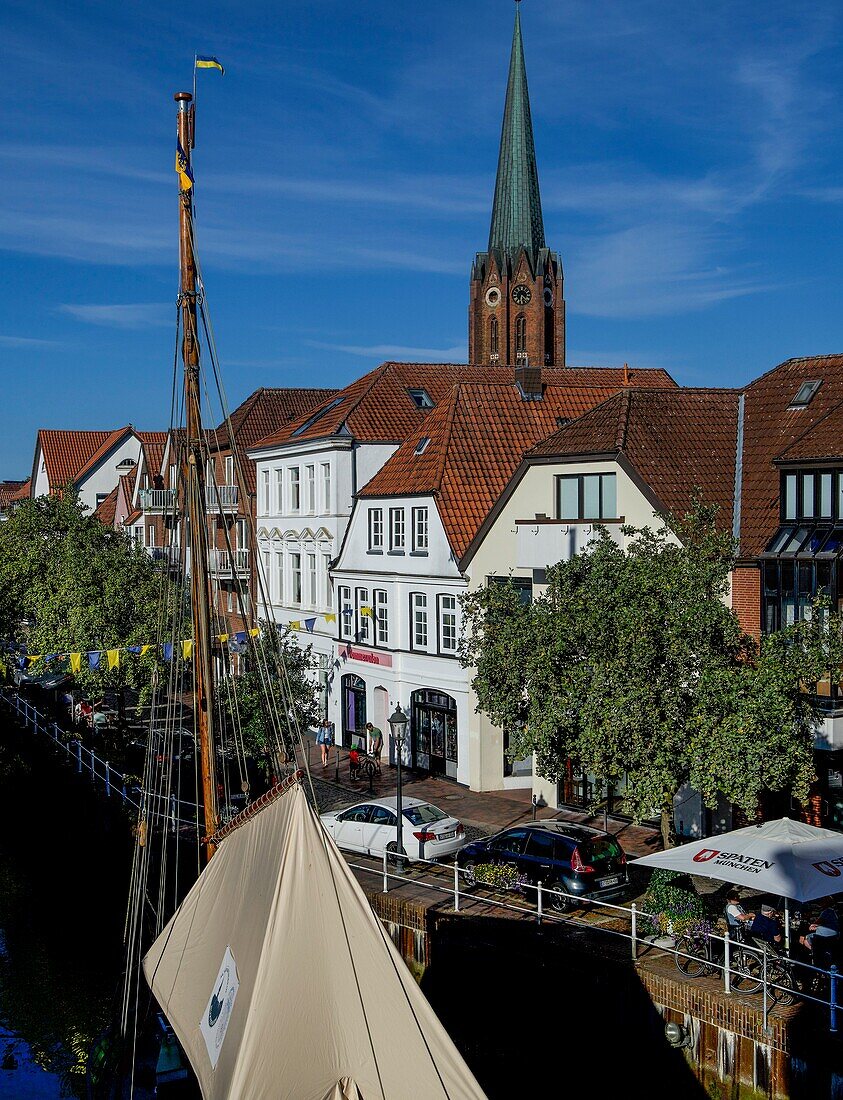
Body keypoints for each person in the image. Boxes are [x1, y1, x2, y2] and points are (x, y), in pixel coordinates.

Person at [801, 897, 840, 968]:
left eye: (822, 901)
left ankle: (814, 952)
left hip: (825, 936)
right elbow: (824, 923)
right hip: (834, 935)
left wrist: (812, 925)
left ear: (825, 903)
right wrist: (816, 926)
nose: (820, 903)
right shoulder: (833, 911)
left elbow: (818, 922)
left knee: (805, 939)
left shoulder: (826, 911)